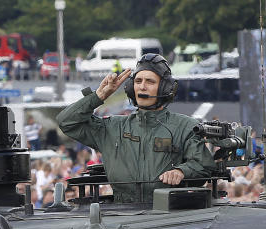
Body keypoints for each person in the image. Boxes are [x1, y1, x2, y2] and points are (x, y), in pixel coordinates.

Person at [56, 53, 215, 202]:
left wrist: (181, 171)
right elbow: (67, 121)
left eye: (150, 82)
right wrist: (98, 96)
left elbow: (203, 164)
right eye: (138, 82)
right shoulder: (112, 128)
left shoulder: (185, 127)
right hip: (122, 212)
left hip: (169, 213)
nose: (142, 87)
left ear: (165, 88)